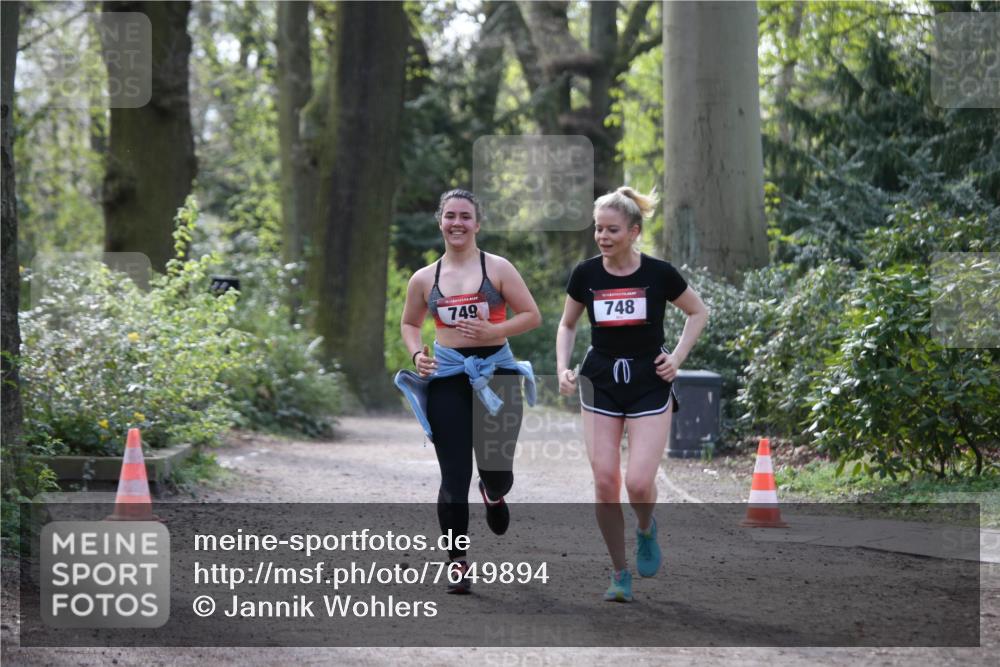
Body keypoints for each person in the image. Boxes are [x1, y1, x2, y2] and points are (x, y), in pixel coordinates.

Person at [556, 186, 708, 602]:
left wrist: (676, 357)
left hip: (648, 380)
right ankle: (619, 572)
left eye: (612, 230)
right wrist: (562, 368)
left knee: (639, 483)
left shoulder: (659, 274)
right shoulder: (586, 275)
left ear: (634, 232)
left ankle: (646, 529)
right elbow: (567, 325)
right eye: (598, 229)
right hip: (601, 378)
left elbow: (698, 312)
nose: (603, 237)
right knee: (605, 481)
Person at [397, 189, 542, 594]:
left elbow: (532, 315)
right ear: (440, 222)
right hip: (447, 379)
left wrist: (495, 330)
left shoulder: (497, 268)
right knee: (453, 477)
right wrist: (416, 355)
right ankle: (457, 561)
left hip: (498, 376)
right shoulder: (425, 278)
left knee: (497, 473)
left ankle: (493, 494)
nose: (457, 223)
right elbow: (411, 324)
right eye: (450, 216)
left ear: (477, 224)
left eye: (465, 216)